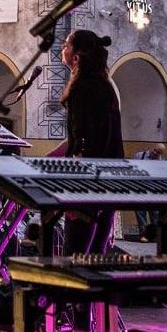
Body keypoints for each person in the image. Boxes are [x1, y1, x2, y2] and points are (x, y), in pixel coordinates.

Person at [60, 29, 123, 255]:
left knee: (74, 255)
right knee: (96, 255)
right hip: (110, 181)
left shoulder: (81, 88)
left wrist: (75, 189)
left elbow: (82, 141)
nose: (62, 49)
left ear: (76, 57)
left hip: (86, 183)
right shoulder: (106, 86)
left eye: (67, 45)